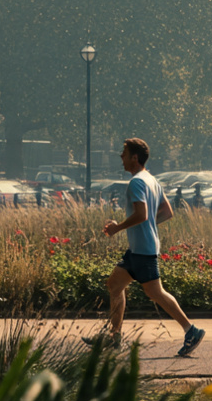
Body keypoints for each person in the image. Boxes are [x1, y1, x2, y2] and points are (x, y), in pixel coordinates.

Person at [86, 138, 205, 357]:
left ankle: (191, 330)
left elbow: (142, 214)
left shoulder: (136, 183)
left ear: (134, 157)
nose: (120, 157)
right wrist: (148, 224)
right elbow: (166, 212)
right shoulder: (152, 181)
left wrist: (117, 228)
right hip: (138, 249)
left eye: (124, 153)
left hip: (143, 250)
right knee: (114, 285)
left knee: (155, 292)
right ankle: (115, 336)